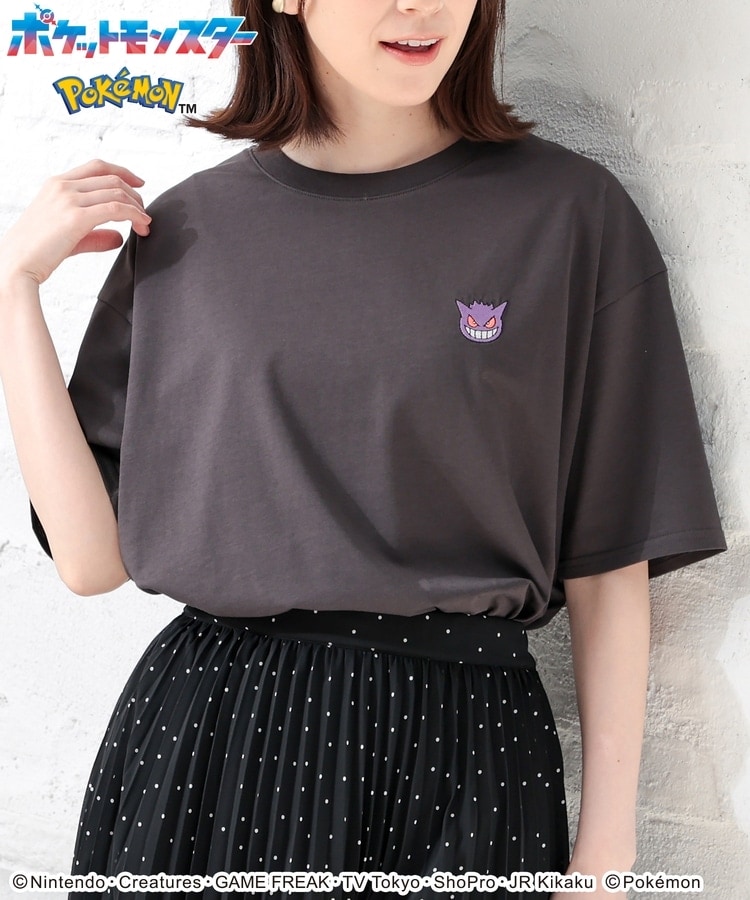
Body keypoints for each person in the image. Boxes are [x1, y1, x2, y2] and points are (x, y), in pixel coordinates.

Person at [0, 0, 727, 898]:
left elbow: (610, 557)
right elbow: (89, 560)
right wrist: (14, 291)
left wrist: (606, 853)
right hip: (217, 745)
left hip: (462, 751)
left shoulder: (570, 216)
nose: (421, 6)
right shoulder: (188, 231)